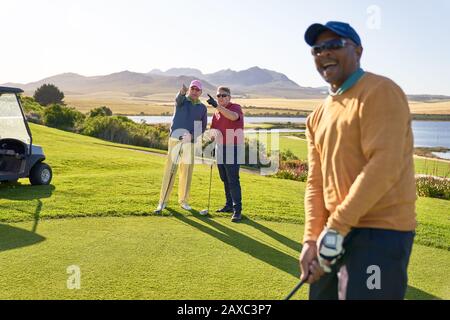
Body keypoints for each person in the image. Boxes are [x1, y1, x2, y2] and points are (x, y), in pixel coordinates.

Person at [299, 21, 417, 300]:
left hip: (380, 233)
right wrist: (311, 239)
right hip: (333, 233)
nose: (323, 53)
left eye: (334, 45)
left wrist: (336, 228)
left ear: (358, 50)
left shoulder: (380, 92)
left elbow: (383, 166)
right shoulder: (316, 115)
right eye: (317, 49)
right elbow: (316, 182)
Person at [154, 80, 207, 213]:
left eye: (197, 90)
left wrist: (192, 136)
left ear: (200, 92)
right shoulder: (182, 100)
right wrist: (182, 92)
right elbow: (178, 99)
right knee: (170, 170)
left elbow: (202, 127)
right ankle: (162, 202)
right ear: (189, 90)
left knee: (186, 171)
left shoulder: (202, 108)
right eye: (192, 89)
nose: (194, 91)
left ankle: (183, 201)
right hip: (175, 140)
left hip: (190, 142)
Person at [206, 87, 244, 222]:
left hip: (233, 148)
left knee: (233, 179)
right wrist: (212, 136)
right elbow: (212, 131)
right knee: (224, 177)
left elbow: (233, 117)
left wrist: (217, 106)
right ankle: (229, 205)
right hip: (220, 147)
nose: (221, 98)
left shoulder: (235, 107)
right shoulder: (216, 113)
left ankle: (237, 210)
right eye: (218, 96)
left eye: (223, 95)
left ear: (229, 97)